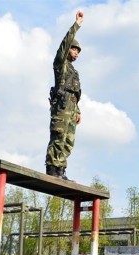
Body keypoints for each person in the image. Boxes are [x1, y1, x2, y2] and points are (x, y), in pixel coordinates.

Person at [45, 11, 84, 180]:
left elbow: (75, 91)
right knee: (58, 135)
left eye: (78, 51)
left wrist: (78, 111)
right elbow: (64, 43)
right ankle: (52, 168)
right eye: (74, 49)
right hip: (61, 105)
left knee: (68, 140)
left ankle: (60, 168)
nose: (76, 53)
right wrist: (76, 25)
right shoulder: (61, 64)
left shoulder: (74, 71)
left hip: (72, 106)